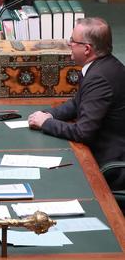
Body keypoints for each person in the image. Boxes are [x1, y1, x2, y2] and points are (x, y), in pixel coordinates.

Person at [28, 18, 125, 196]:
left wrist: (46, 124)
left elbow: (83, 132)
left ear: (87, 49)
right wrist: (48, 114)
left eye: (73, 40)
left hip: (110, 163)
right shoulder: (103, 66)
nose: (69, 43)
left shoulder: (100, 77)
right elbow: (77, 103)